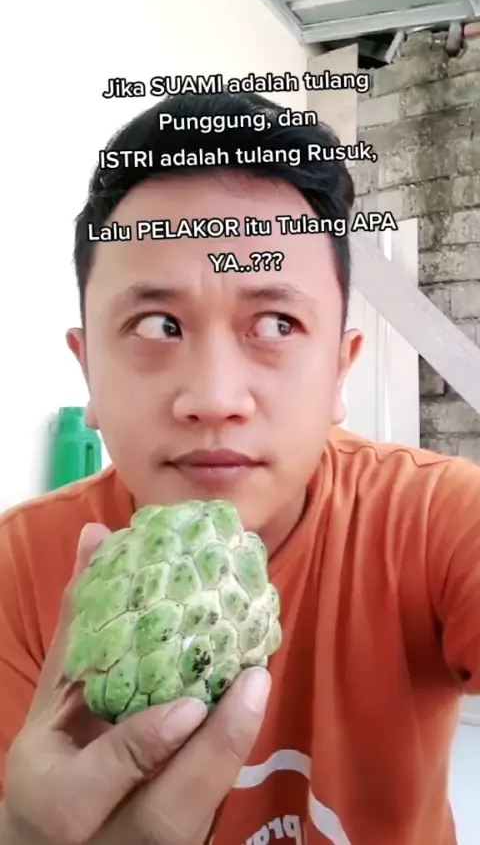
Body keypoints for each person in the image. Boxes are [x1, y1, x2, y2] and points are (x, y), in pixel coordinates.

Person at [0, 89, 479, 845]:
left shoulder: (437, 520)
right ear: (88, 368)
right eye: (158, 325)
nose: (215, 398)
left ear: (340, 370)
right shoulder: (13, 571)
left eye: (276, 323)